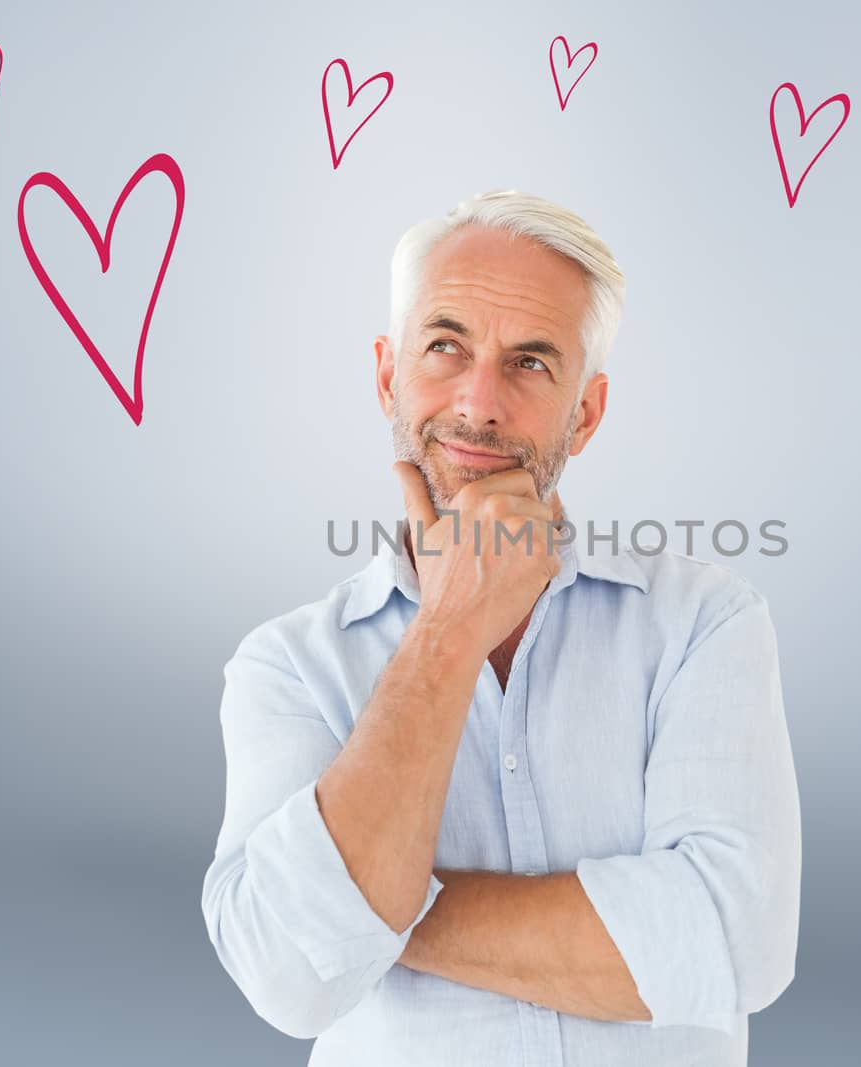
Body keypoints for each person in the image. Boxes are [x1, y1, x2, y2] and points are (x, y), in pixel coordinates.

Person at [199, 189, 802, 1065]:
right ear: (386, 375)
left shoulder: (703, 624)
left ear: (585, 414)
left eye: (529, 362)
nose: (478, 403)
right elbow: (292, 978)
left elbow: (736, 943)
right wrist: (448, 626)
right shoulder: (288, 666)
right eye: (444, 346)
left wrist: (376, 907)